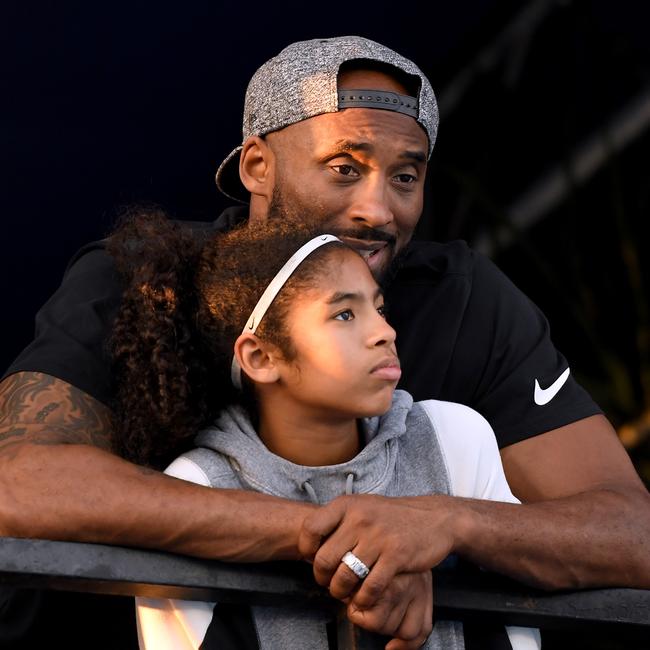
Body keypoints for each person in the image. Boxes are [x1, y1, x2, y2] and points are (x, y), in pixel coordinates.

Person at [0, 35, 648, 640]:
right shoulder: (144, 279)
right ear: (258, 165)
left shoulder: (464, 300)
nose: (379, 209)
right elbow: (22, 485)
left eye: (406, 176)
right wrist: (348, 537)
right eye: (344, 167)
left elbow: (633, 532)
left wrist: (449, 523)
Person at [110, 213, 540, 650]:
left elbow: (520, 623)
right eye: (345, 313)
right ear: (261, 357)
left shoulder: (451, 439)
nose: (384, 332)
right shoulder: (198, 484)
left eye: (380, 307)